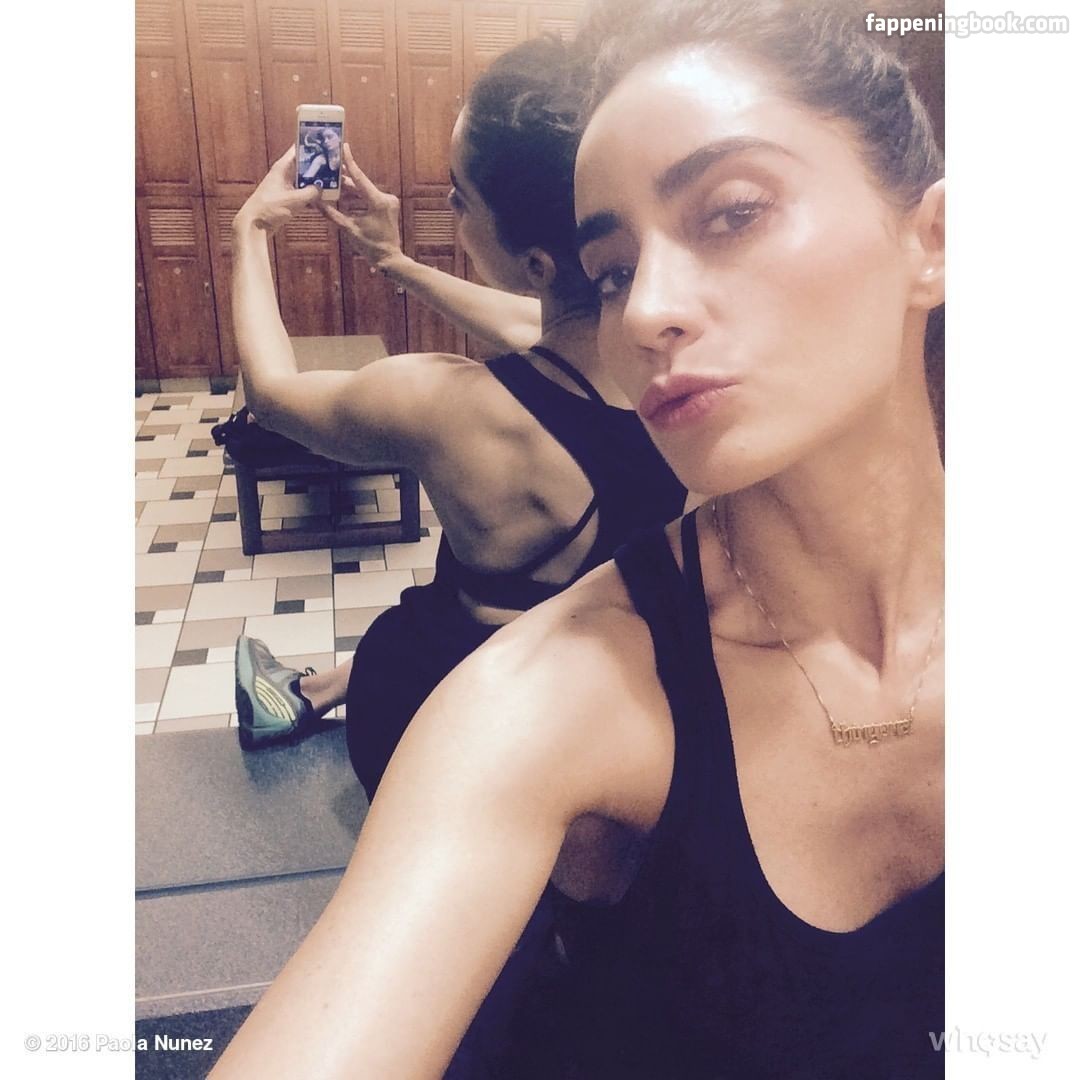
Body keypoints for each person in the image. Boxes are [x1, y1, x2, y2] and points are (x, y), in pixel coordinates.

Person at [212, 1, 945, 1076]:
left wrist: (251, 234)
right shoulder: (538, 702)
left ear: (933, 239)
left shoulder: (461, 401)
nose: (645, 311)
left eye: (732, 213)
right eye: (614, 270)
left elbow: (290, 390)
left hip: (437, 643)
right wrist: (398, 261)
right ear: (574, 272)